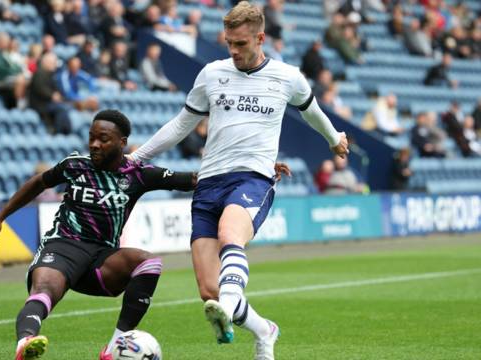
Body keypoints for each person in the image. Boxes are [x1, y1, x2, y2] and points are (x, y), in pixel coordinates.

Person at [129, 2, 348, 359]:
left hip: (252, 179)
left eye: (241, 43)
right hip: (209, 182)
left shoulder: (287, 76)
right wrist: (136, 158)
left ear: (260, 38)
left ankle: (228, 310)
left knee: (231, 235)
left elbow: (313, 112)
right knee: (208, 289)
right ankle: (264, 330)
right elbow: (181, 124)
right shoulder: (212, 73)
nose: (233, 50)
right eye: (229, 42)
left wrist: (334, 138)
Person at [0, 110, 197, 360]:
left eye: (103, 138)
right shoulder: (75, 165)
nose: (94, 144)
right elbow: (38, 182)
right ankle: (26, 342)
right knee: (44, 290)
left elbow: (190, 180)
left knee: (149, 262)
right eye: (91, 137)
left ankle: (113, 348)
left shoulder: (139, 175)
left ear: (122, 142)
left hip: (101, 259)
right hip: (62, 247)